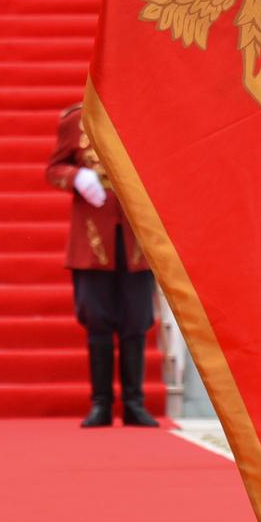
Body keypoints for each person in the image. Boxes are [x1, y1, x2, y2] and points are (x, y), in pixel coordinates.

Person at [45, 102, 159, 428]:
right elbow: (54, 168)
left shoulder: (144, 113)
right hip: (92, 237)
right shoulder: (76, 119)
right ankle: (101, 403)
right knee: (97, 320)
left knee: (136, 320)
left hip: (136, 235)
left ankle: (135, 403)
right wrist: (76, 176)